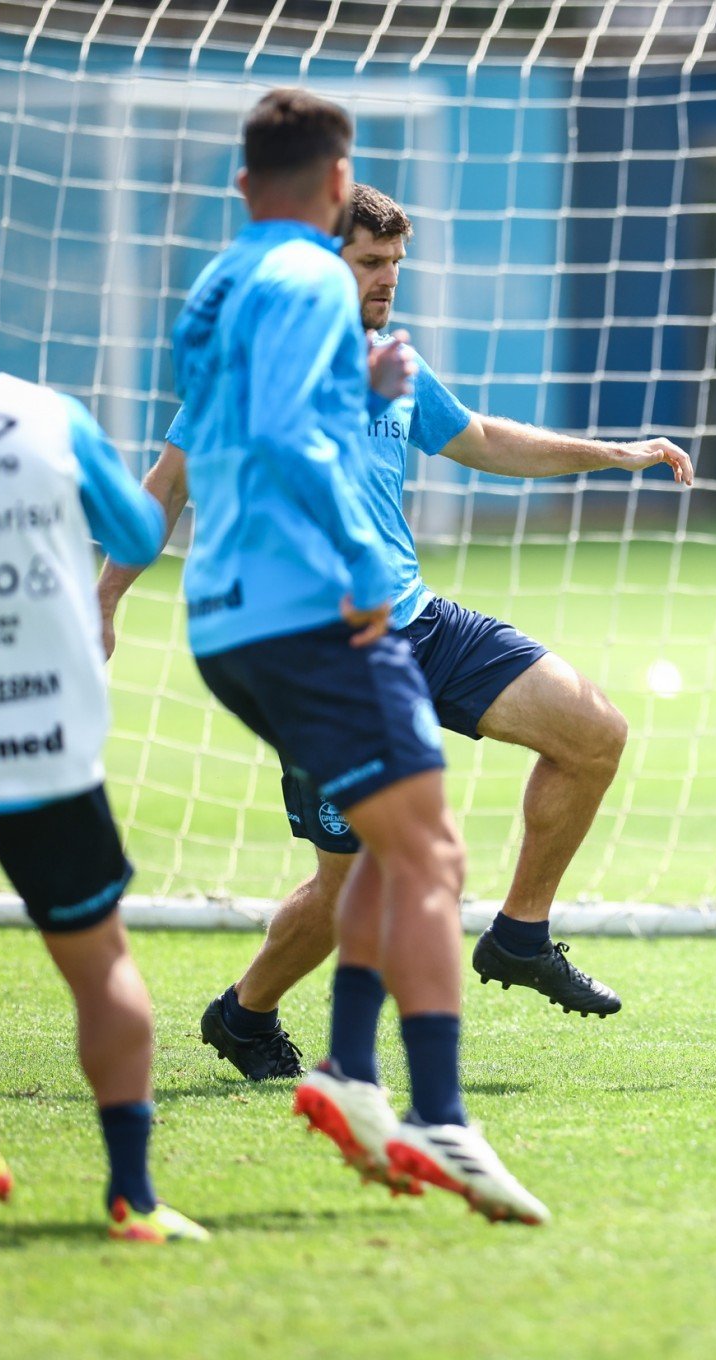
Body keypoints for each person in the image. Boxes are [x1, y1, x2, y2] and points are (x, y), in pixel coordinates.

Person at [100, 182, 692, 1082]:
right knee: (354, 884)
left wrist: (612, 453)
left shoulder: (393, 360)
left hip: (417, 621)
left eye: (394, 266)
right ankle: (245, 1013)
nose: (387, 282)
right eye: (370, 264)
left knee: (595, 733)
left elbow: (485, 439)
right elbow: (168, 487)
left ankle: (522, 935)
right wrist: (104, 600)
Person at [169, 89, 544, 1223]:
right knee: (429, 859)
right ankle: (433, 1112)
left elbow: (240, 431)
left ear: (247, 187)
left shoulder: (221, 288)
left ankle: (345, 1067)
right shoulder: (311, 286)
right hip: (321, 611)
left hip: (226, 620)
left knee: (395, 845)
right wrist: (349, 570)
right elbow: (291, 441)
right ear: (337, 190)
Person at [0, 214, 203, 1242]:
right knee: (101, 963)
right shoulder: (46, 415)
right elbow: (139, 531)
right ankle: (133, 1197)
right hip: (41, 742)